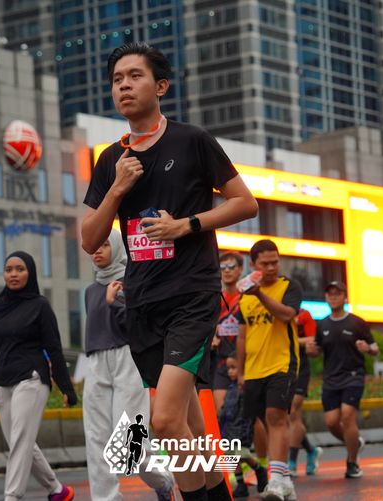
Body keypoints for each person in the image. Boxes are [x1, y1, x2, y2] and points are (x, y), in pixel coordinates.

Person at [81, 42, 258, 501]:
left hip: (191, 296)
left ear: (160, 86)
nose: (124, 85)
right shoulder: (110, 160)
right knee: (190, 426)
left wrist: (186, 225)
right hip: (142, 304)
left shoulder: (192, 141)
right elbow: (89, 238)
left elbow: (245, 203)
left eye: (134, 76)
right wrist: (117, 189)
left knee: (163, 421)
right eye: (117, 79)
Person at [0, 251, 77, 501]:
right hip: (3, 382)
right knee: (20, 443)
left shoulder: (40, 306)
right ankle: (57, 490)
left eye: (20, 269)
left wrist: (66, 388)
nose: (13, 274)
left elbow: (54, 349)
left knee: (21, 441)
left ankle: (12, 497)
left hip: (32, 379)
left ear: (30, 273)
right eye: (9, 269)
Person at [83, 230, 175, 500]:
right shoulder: (90, 291)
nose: (98, 251)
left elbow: (141, 327)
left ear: (116, 247)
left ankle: (163, 481)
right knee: (95, 437)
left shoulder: (133, 282)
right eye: (95, 247)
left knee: (129, 441)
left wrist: (115, 303)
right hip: (96, 361)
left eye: (104, 245)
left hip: (129, 359)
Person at [235, 239, 302, 501]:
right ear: (253, 265)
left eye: (275, 262)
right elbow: (242, 336)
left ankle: (275, 480)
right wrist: (241, 372)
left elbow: (287, 314)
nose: (272, 267)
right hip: (253, 370)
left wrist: (260, 295)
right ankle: (285, 481)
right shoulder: (244, 296)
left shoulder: (289, 286)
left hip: (282, 363)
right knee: (265, 422)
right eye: (265, 263)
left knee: (276, 417)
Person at [306, 281, 378, 479]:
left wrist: (367, 348)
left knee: (347, 416)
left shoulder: (357, 322)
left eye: (337, 294)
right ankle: (355, 443)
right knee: (331, 422)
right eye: (330, 294)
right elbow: (317, 350)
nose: (333, 297)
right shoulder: (322, 324)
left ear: (345, 297)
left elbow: (374, 348)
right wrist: (311, 351)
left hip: (353, 376)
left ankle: (352, 462)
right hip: (331, 378)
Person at [218, 356, 268, 498]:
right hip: (228, 429)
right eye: (228, 368)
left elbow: (248, 411)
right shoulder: (231, 388)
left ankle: (259, 470)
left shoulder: (247, 388)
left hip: (242, 429)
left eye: (234, 368)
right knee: (230, 456)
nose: (230, 371)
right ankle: (241, 484)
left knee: (242, 454)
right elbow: (226, 408)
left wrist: (246, 425)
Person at [287, 307, 323, 476]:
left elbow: (313, 339)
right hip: (278, 366)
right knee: (286, 416)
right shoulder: (270, 312)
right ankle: (311, 450)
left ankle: (291, 462)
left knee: (293, 411)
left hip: (299, 367)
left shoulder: (304, 314)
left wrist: (290, 340)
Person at [211, 252, 245, 414]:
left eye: (231, 266)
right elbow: (209, 325)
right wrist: (212, 338)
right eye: (223, 267)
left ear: (240, 269)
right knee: (221, 413)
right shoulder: (216, 300)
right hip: (222, 362)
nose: (227, 270)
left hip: (246, 362)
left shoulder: (247, 298)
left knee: (249, 417)